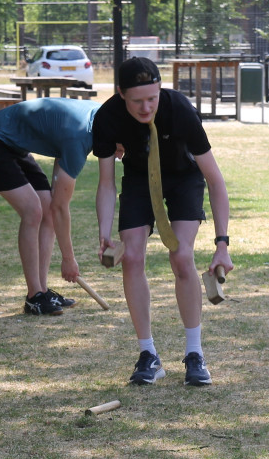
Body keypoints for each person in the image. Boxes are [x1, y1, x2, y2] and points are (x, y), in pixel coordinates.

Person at [92, 57, 234, 386]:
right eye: (137, 100)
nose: (146, 108)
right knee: (131, 257)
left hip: (184, 179)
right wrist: (104, 231)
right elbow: (106, 183)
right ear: (120, 94)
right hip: (140, 181)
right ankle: (148, 355)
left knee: (181, 255)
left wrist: (222, 243)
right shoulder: (107, 118)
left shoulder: (180, 110)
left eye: (152, 98)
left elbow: (215, 180)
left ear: (160, 89)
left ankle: (194, 354)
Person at [0, 97, 101, 316]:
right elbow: (61, 207)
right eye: (121, 148)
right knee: (33, 211)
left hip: (14, 145)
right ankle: (34, 296)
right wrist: (68, 259)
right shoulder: (80, 138)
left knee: (45, 210)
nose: (121, 155)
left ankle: (41, 292)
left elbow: (56, 202)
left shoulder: (98, 117)